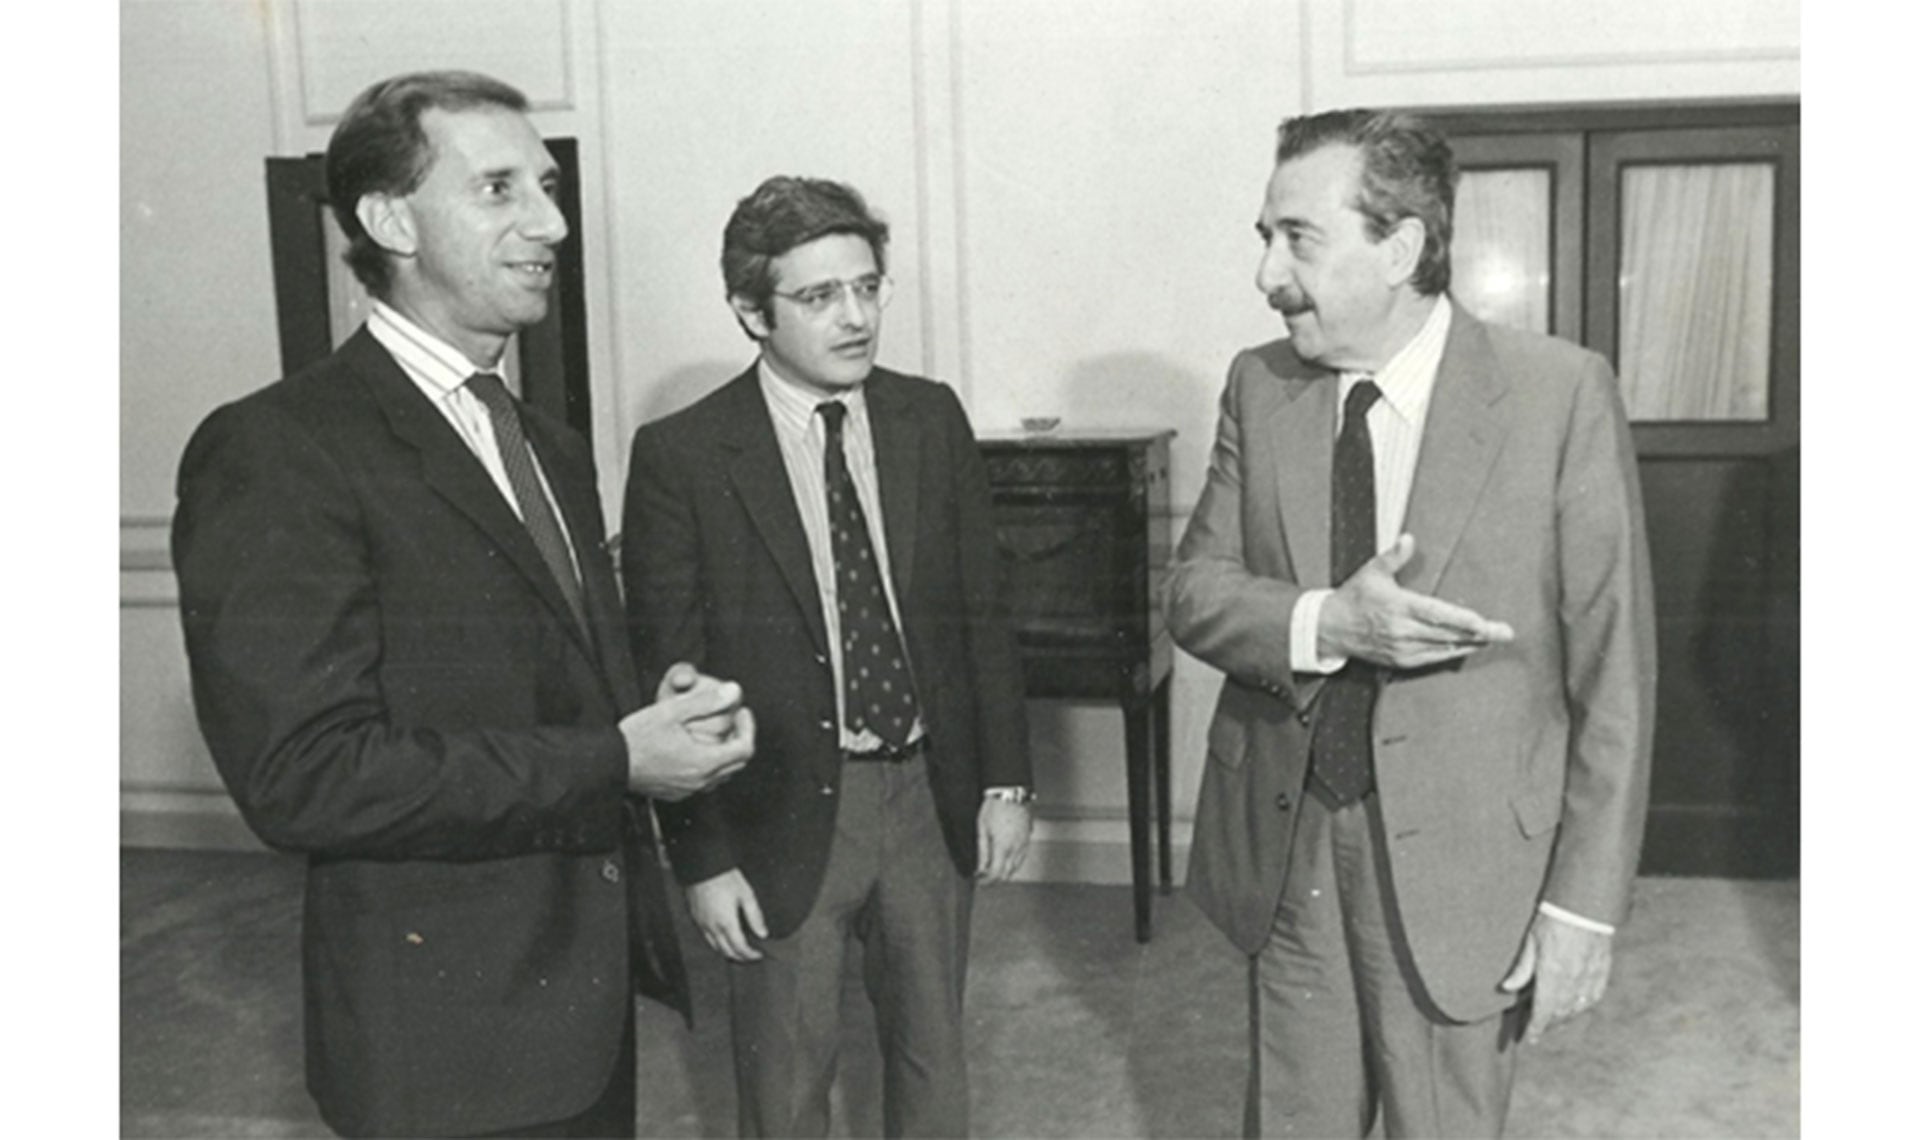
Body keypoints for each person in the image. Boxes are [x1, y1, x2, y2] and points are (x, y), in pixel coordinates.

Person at [172, 70, 755, 1139]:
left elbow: (551, 676)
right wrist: (618, 758)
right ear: (389, 219)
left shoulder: (547, 445)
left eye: (546, 185)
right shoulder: (277, 450)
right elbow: (304, 777)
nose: (552, 221)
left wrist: (658, 707)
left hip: (584, 1019)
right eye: (499, 190)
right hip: (443, 1049)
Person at [1167, 108, 1656, 1138]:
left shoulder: (1559, 394)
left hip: (1470, 865)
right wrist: (1326, 621)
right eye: (1266, 236)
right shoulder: (1262, 385)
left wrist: (1583, 904)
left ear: (1400, 246)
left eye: (1297, 238)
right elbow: (1195, 591)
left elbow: (1615, 675)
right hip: (1291, 843)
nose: (1267, 274)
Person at [620, 175, 1033, 1138]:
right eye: (818, 297)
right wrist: (702, 858)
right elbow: (667, 677)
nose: (855, 317)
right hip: (778, 812)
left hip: (929, 798)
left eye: (867, 287)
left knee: (935, 1066)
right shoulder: (683, 455)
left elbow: (983, 616)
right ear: (750, 312)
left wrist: (1006, 782)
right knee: (787, 1083)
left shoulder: (930, 418)